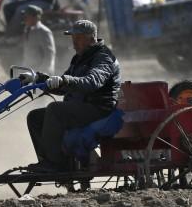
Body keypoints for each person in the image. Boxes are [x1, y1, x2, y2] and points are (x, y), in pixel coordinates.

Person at [26, 20, 121, 172]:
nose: (74, 43)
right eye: (73, 39)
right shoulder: (79, 58)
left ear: (91, 38)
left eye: (78, 39)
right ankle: (48, 161)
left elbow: (92, 81)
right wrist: (38, 79)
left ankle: (56, 164)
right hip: (83, 106)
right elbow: (64, 87)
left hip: (99, 109)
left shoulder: (103, 57)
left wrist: (66, 80)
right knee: (35, 117)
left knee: (55, 110)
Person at [22, 4, 56, 75]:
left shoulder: (44, 31)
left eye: (27, 16)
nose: (24, 18)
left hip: (41, 73)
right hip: (29, 71)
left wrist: (42, 72)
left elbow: (49, 54)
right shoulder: (27, 29)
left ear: (35, 17)